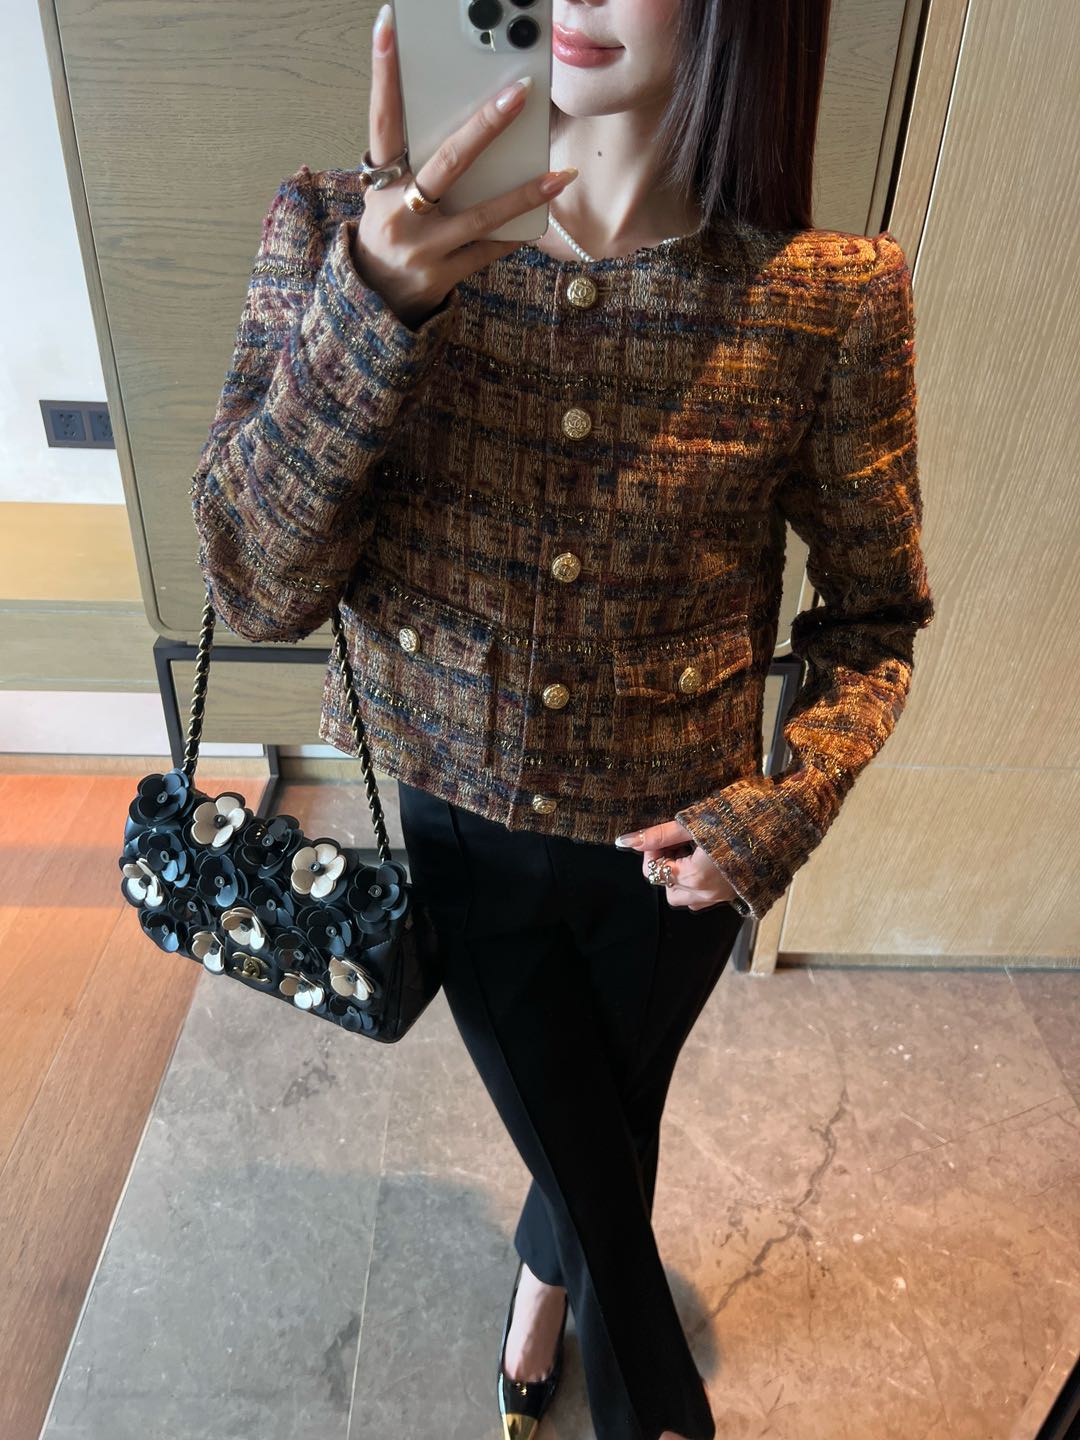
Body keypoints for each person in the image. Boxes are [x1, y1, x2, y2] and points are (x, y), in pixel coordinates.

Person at [189, 1, 935, 1436]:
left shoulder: (827, 296)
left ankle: (542, 1294)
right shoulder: (338, 232)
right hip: (457, 832)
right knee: (593, 1148)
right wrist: (373, 310)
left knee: (602, 1120)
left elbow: (874, 618)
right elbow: (252, 583)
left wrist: (781, 809)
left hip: (676, 861)